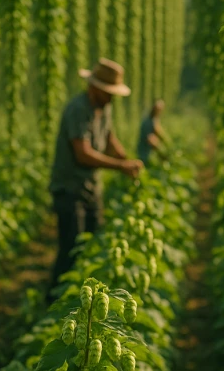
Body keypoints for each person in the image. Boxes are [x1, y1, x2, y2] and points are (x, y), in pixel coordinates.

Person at [47, 58, 144, 302]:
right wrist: (121, 166)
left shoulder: (103, 107)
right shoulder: (78, 109)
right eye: (108, 92)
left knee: (91, 244)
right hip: (70, 189)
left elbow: (109, 137)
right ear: (95, 88)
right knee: (71, 248)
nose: (112, 98)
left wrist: (124, 157)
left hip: (91, 188)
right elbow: (83, 153)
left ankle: (82, 302)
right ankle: (54, 303)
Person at [136, 99, 168, 164]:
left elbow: (158, 132)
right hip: (144, 154)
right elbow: (150, 139)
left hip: (147, 153)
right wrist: (161, 152)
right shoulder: (148, 122)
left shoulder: (154, 120)